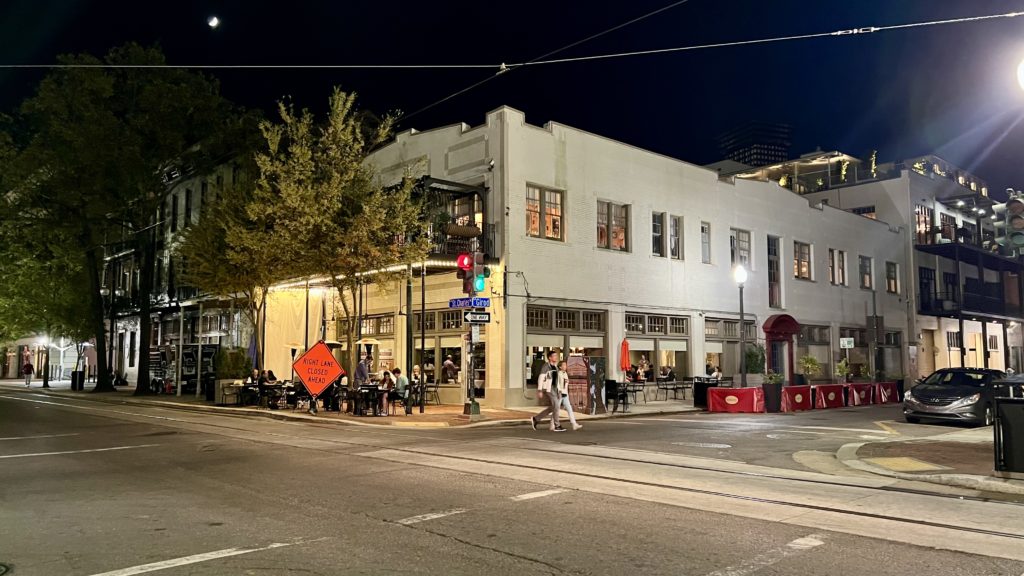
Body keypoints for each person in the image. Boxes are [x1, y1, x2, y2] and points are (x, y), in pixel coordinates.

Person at [529, 350, 565, 432]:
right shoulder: (546, 366)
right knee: (556, 405)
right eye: (554, 356)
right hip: (549, 388)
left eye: (556, 356)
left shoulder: (555, 367)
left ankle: (536, 419)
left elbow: (557, 380)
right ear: (550, 358)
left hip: (555, 388)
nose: (556, 357)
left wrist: (559, 390)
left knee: (554, 407)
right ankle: (557, 425)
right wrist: (540, 390)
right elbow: (541, 378)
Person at [557, 360, 582, 431]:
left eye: (565, 365)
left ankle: (574, 424)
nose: (565, 366)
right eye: (564, 365)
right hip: (560, 393)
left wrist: (567, 384)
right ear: (560, 367)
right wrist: (559, 391)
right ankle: (553, 424)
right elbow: (558, 384)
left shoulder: (565, 374)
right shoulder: (559, 374)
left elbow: (566, 383)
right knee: (557, 409)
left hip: (565, 394)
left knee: (569, 409)